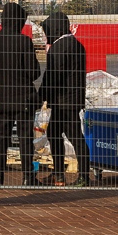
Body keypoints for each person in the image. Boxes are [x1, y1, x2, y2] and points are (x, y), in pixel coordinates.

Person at [0, 0, 39, 186]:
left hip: (2, 96)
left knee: (1, 138)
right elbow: (34, 72)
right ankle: (27, 177)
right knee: (25, 139)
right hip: (24, 98)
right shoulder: (24, 41)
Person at [38, 11, 91, 185]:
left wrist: (41, 97)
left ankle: (82, 176)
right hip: (71, 99)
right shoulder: (76, 44)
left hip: (63, 100)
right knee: (56, 133)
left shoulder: (60, 47)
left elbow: (52, 75)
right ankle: (60, 174)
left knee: (74, 136)